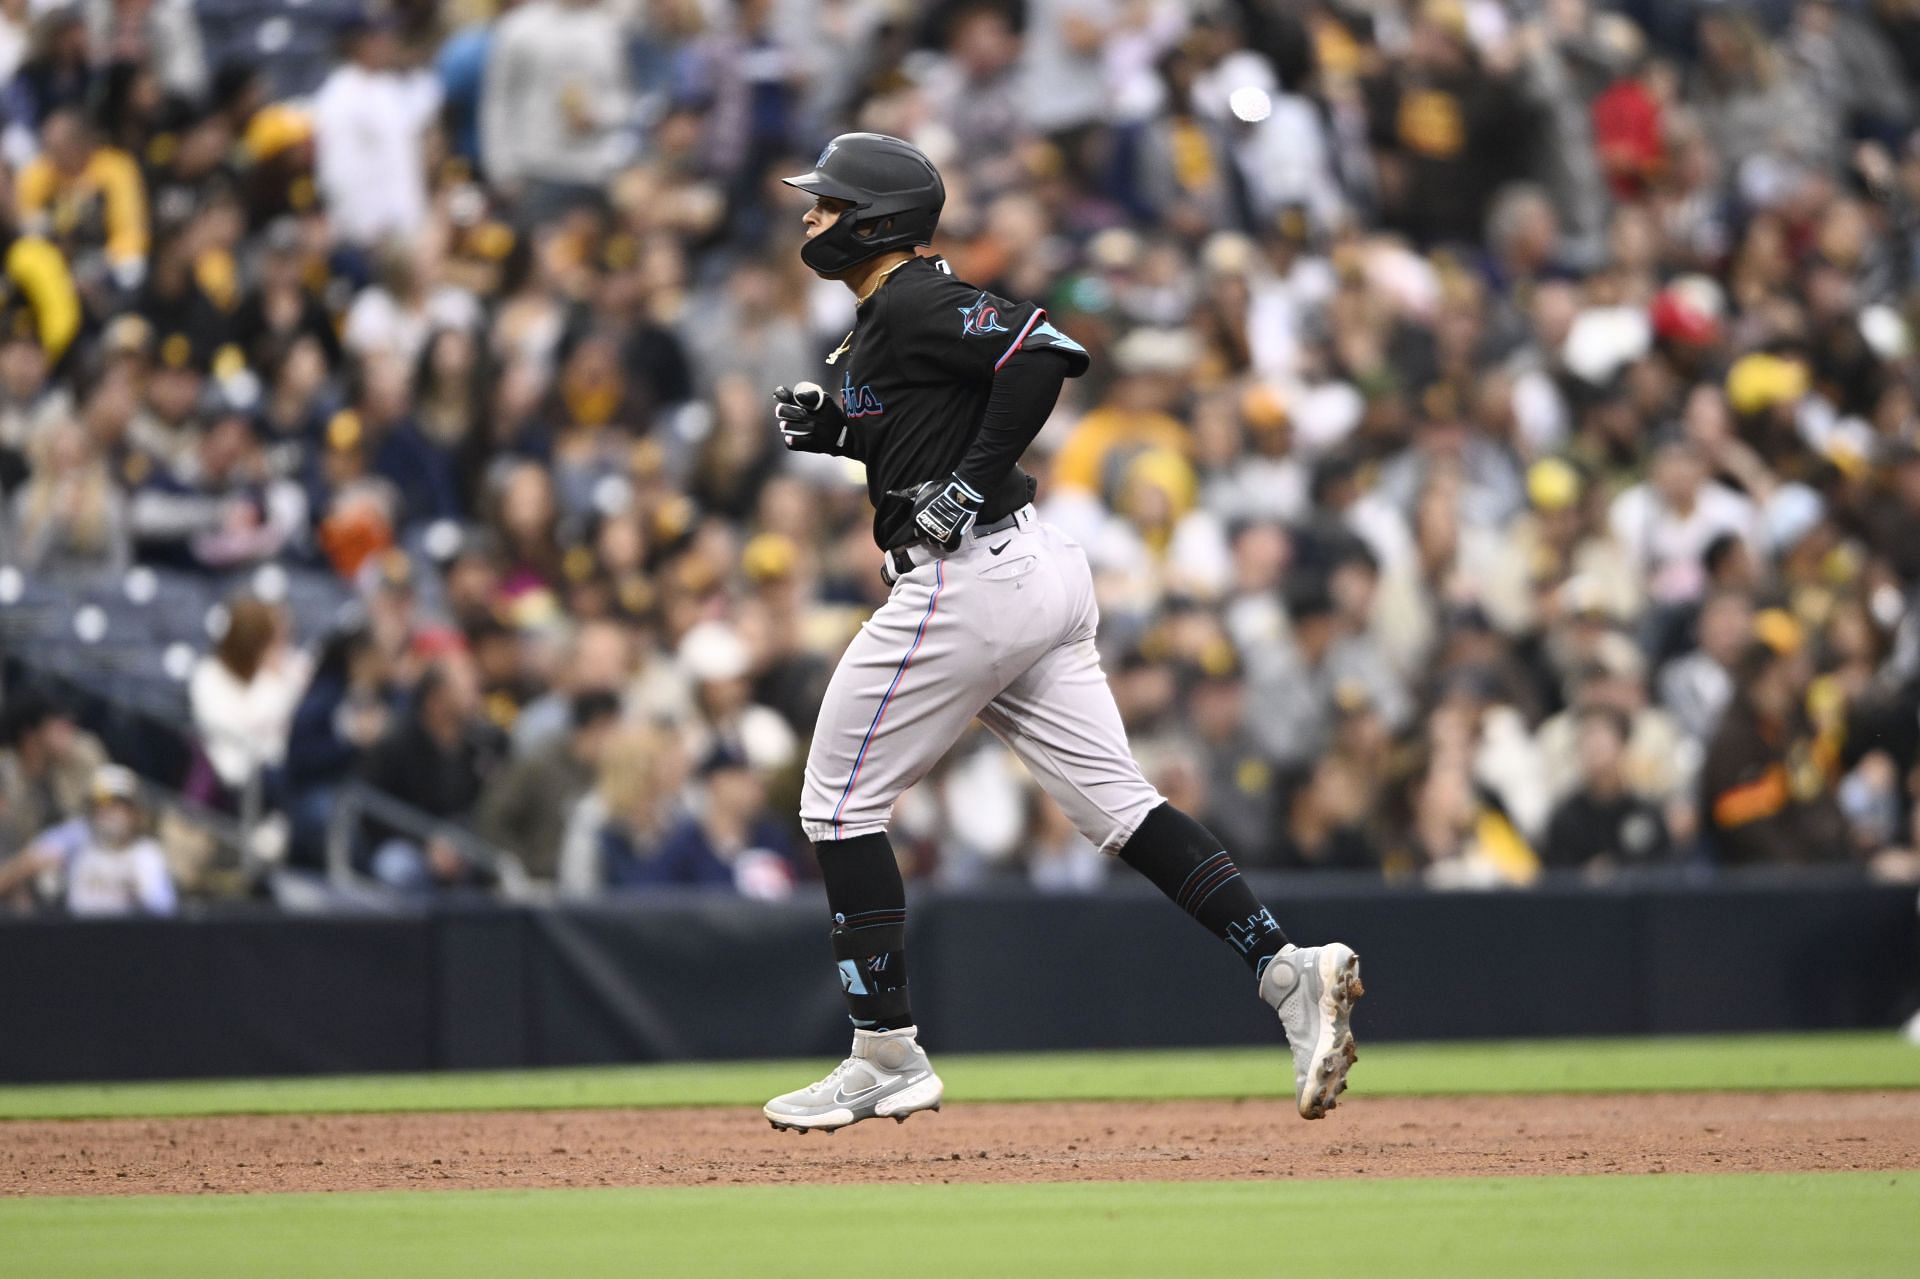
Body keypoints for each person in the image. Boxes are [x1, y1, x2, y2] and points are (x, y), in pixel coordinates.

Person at [759, 133, 1363, 1134]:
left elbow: (1041, 351)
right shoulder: (889, 313)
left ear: (874, 218)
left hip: (966, 585)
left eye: (827, 204)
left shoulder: (910, 295)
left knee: (834, 806)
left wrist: (961, 482)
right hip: (1029, 570)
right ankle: (1285, 969)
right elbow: (927, 421)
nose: (810, 217)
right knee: (1122, 809)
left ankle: (885, 1052)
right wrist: (843, 433)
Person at [0, 764, 176, 916]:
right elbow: (34, 857)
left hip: (132, 941)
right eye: (101, 804)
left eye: (117, 804)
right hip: (79, 940)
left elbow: (163, 910)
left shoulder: (147, 853)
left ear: (134, 811)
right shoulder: (78, 839)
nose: (109, 812)